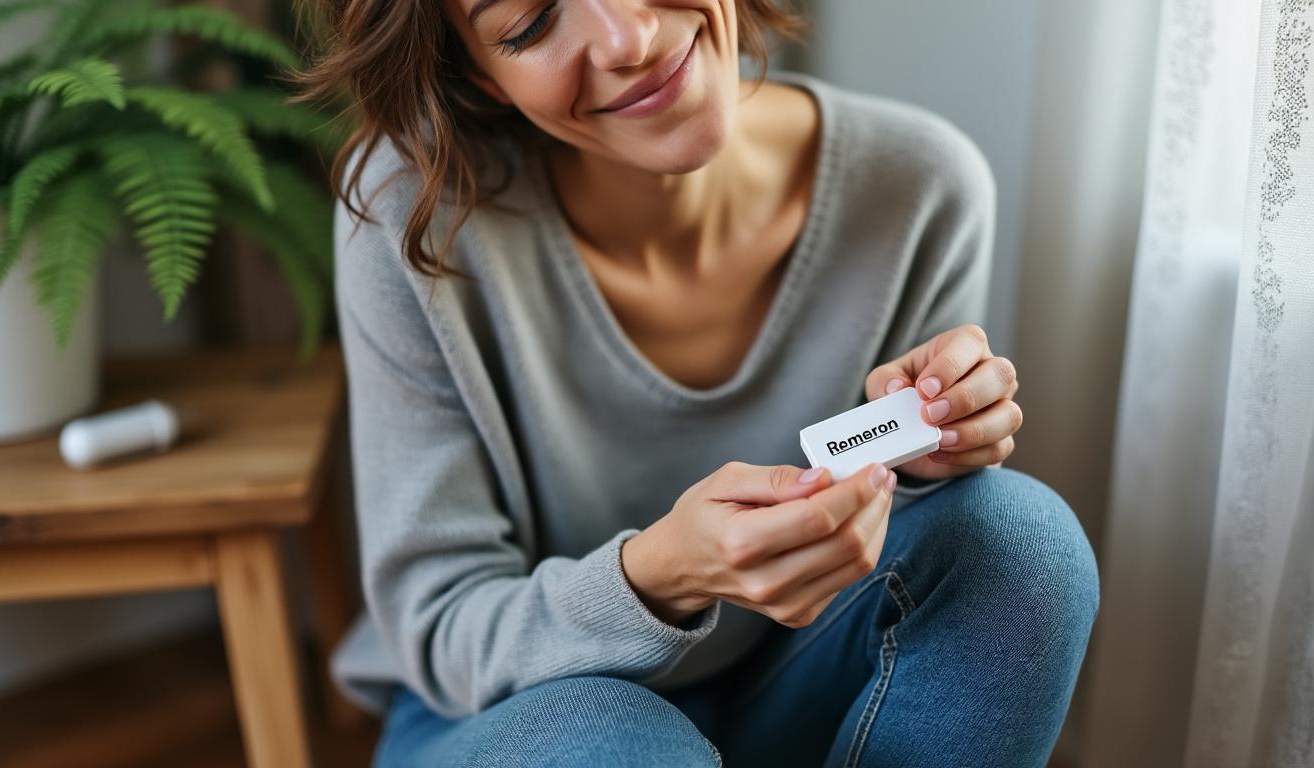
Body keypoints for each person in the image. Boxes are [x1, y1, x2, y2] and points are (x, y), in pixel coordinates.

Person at [293, 0, 1100, 765]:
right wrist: (657, 576)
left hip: (789, 681)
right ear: (479, 76)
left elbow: (912, 567)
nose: (629, 38)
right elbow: (440, 625)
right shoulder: (413, 216)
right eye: (533, 21)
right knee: (618, 749)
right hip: (518, 712)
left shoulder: (917, 188)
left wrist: (930, 454)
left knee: (1021, 546)